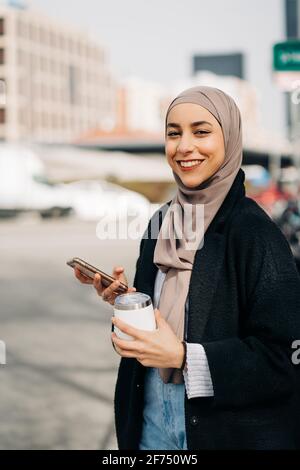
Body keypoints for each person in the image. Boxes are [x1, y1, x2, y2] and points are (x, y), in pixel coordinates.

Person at [74, 86, 300, 450]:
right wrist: (131, 300)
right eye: (173, 133)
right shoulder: (161, 222)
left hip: (222, 430)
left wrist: (183, 357)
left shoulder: (255, 234)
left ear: (229, 138)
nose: (184, 146)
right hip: (150, 419)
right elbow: (175, 312)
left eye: (201, 131)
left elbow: (284, 359)